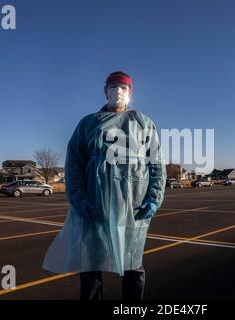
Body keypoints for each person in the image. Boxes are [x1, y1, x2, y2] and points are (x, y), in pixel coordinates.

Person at [42, 71, 166, 300]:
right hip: (95, 204)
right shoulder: (88, 124)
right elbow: (74, 165)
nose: (117, 91)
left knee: (132, 264)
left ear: (130, 93)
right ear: (105, 91)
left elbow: (156, 164)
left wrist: (154, 197)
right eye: (112, 87)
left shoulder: (143, 123)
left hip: (133, 207)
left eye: (123, 87)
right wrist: (79, 199)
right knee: (90, 265)